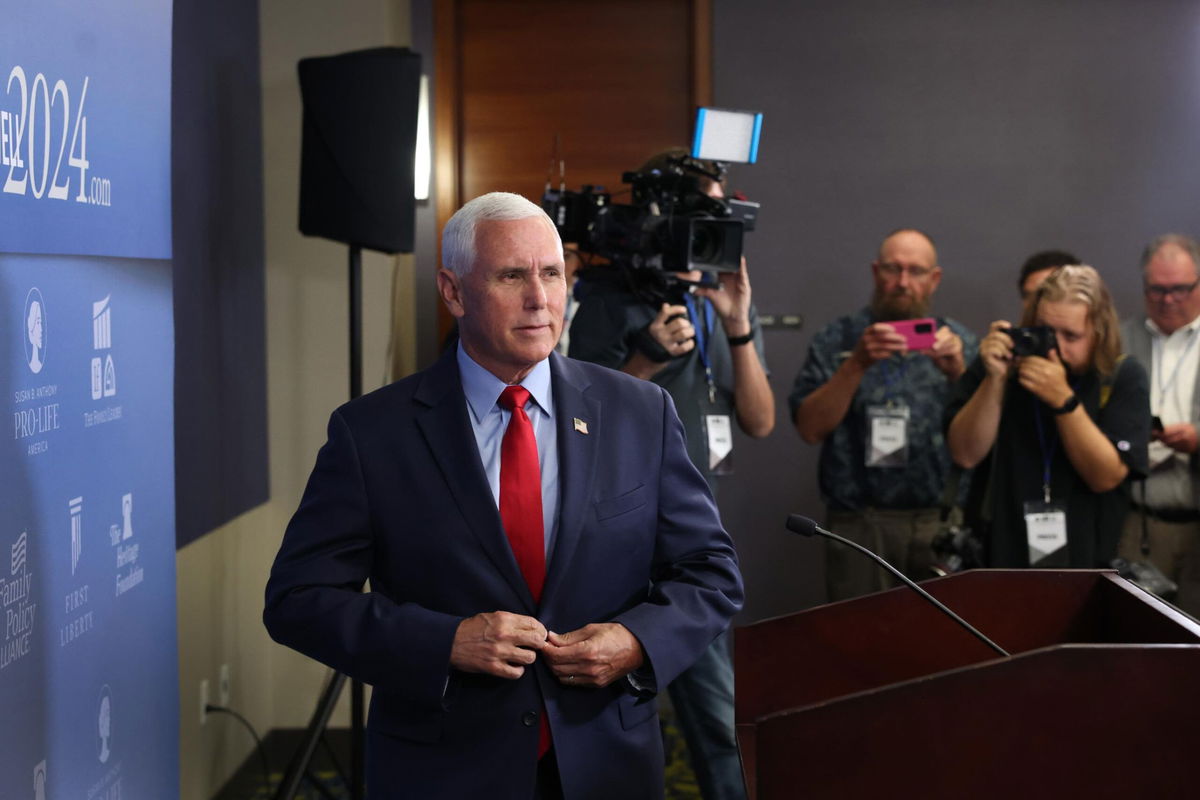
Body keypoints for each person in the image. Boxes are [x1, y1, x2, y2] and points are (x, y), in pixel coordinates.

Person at [263, 192, 743, 800]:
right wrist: (445, 642)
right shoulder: (371, 433)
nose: (539, 299)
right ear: (453, 290)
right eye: (511, 275)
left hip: (607, 764)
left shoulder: (639, 411)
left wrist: (636, 642)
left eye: (551, 274)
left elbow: (711, 572)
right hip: (443, 770)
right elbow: (297, 600)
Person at [567, 150, 770, 800]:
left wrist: (737, 323)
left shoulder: (719, 299)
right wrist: (645, 360)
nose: (711, 225)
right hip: (613, 536)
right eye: (701, 211)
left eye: (720, 210)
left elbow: (760, 421)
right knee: (607, 724)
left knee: (720, 720)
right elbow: (574, 427)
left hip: (690, 541)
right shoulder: (606, 298)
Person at [790, 229, 977, 600]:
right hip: (860, 524)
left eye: (916, 271)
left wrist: (959, 373)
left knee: (946, 646)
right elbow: (810, 428)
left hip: (939, 524)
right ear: (876, 272)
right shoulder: (838, 339)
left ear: (934, 279)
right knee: (861, 646)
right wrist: (855, 365)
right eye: (893, 269)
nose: (903, 282)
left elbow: (983, 440)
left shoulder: (960, 343)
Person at [946, 265, 1149, 568]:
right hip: (998, 557)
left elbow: (1105, 477)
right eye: (1046, 331)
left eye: (1071, 335)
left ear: (1098, 332)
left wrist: (1064, 402)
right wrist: (995, 380)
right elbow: (965, 454)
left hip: (1086, 563)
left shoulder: (1120, 376)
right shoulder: (1001, 364)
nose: (1056, 348)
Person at [1119, 234, 1200, 615]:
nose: (1168, 300)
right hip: (1139, 518)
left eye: (1180, 289)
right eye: (1157, 290)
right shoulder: (1120, 340)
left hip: (1195, 511)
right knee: (1139, 630)